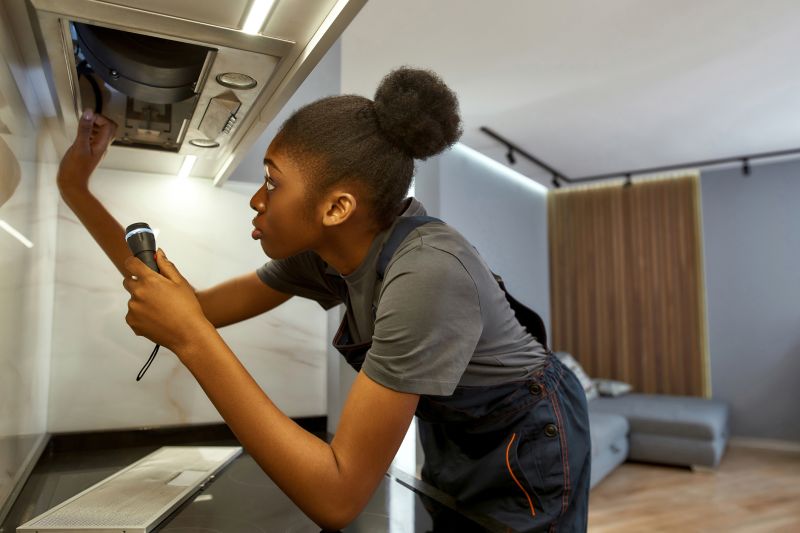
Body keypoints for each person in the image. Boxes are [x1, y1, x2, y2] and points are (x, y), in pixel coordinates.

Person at [56, 67, 591, 532]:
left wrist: (190, 339)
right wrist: (77, 191)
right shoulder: (325, 258)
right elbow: (193, 307)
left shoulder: (428, 273)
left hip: (529, 437)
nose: (257, 200)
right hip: (458, 433)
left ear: (336, 208)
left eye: (271, 182)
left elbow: (336, 498)